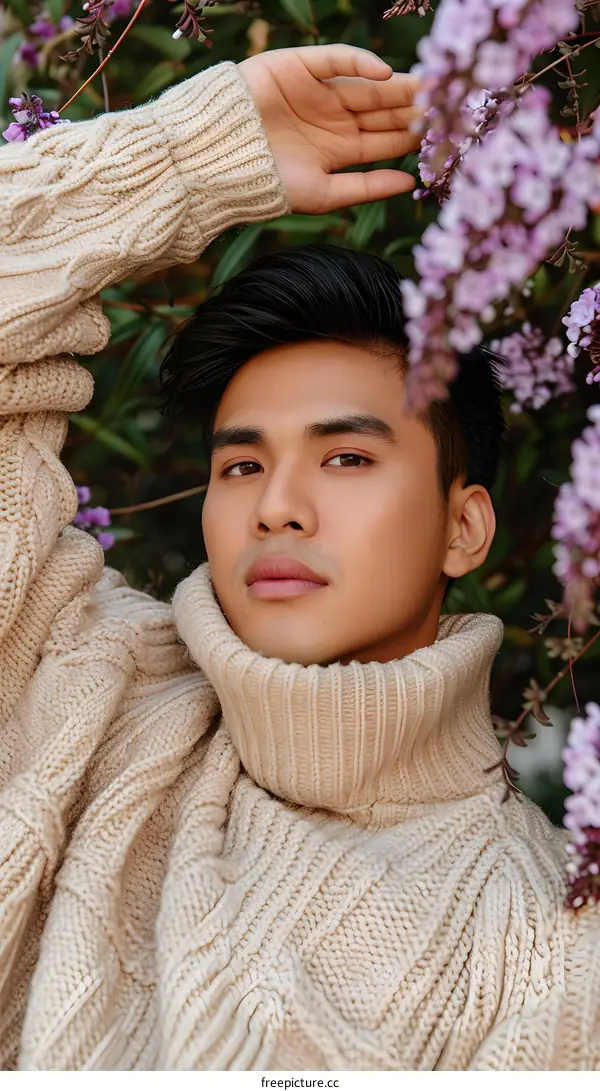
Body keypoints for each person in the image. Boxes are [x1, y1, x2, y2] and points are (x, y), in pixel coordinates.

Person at [0, 44, 598, 1072]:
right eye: (240, 467)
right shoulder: (73, 683)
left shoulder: (551, 944)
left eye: (349, 455)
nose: (276, 506)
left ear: (467, 524)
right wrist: (184, 160)